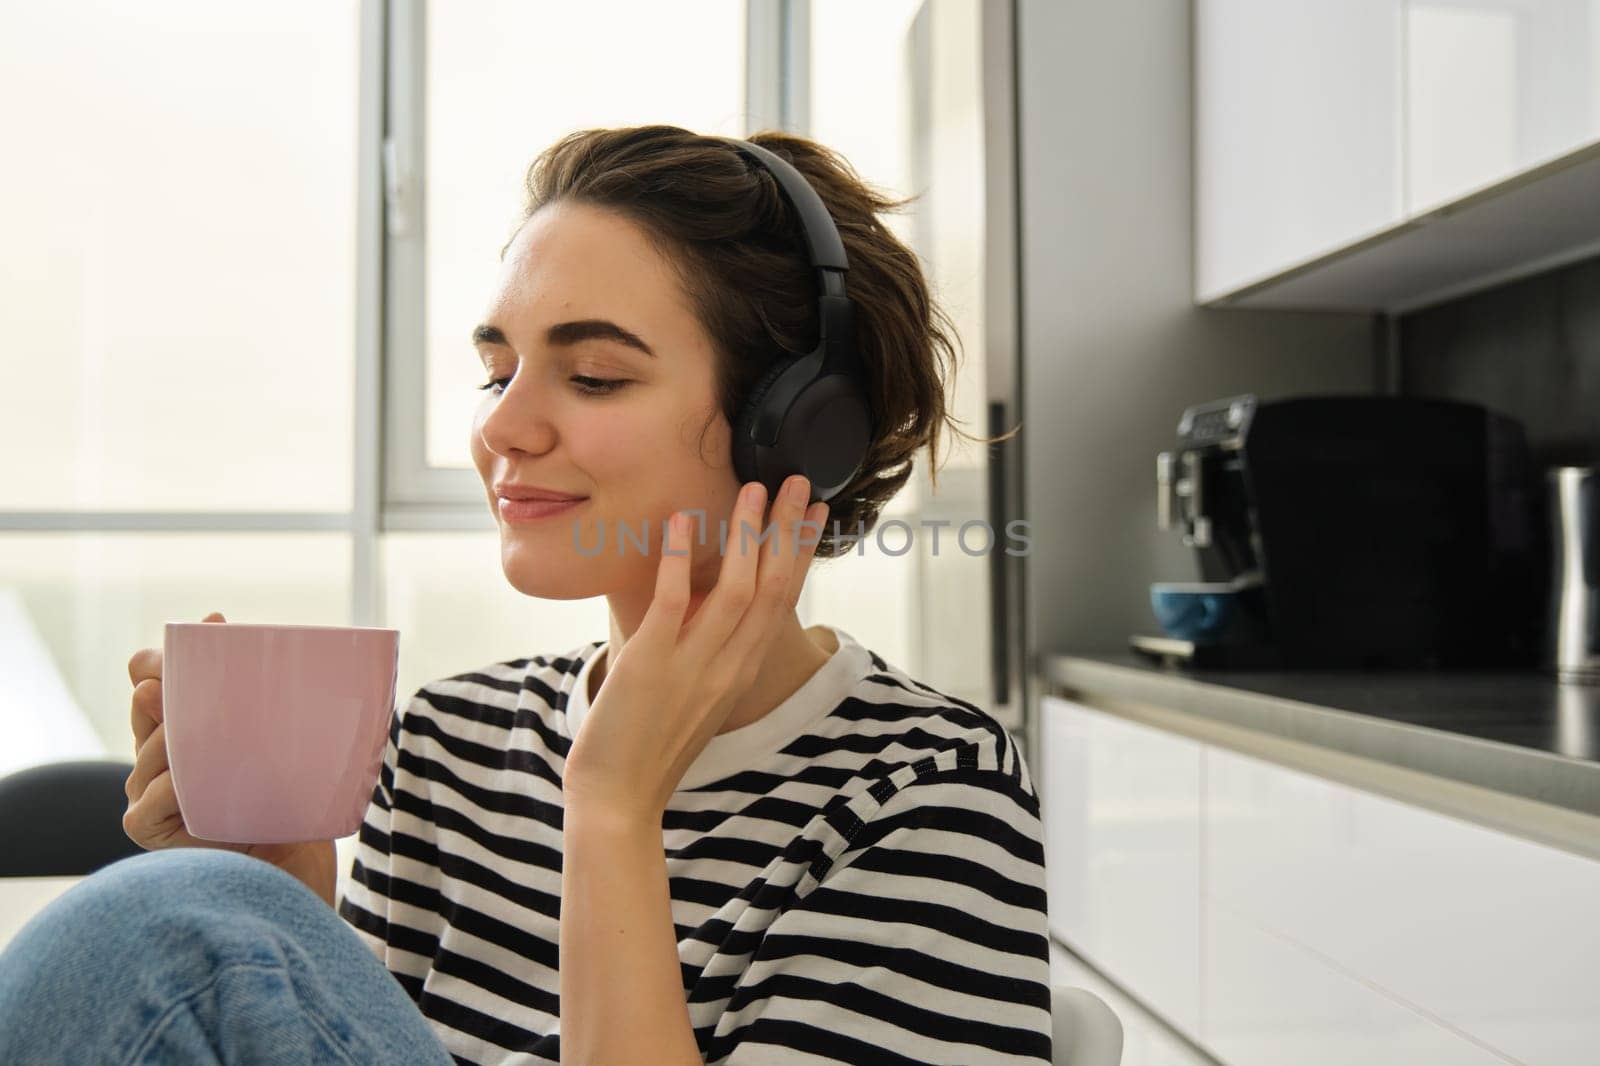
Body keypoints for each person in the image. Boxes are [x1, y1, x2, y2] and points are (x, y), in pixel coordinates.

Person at [0, 125, 1050, 1064]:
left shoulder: (928, 792)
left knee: (167, 927)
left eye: (592, 375)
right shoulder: (449, 743)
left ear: (797, 426)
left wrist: (614, 808)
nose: (502, 428)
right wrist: (286, 914)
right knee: (193, 913)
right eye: (497, 371)